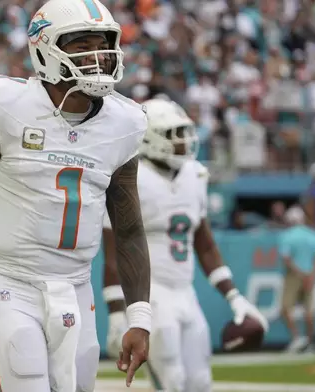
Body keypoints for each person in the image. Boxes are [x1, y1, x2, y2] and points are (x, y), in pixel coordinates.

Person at [0, 0, 152, 390]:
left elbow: (129, 228)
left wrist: (139, 317)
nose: (98, 56)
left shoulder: (125, 122)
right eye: (82, 45)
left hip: (76, 287)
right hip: (8, 281)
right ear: (46, 48)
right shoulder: (6, 105)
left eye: (103, 44)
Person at [102, 98, 268, 392]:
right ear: (149, 137)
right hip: (150, 295)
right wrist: (117, 311)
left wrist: (234, 297)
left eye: (184, 132)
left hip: (185, 293)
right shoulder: (130, 176)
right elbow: (116, 252)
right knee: (172, 381)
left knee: (201, 382)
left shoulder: (195, 174)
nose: (183, 142)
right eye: (172, 134)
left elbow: (204, 245)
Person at [279, 205, 315, 353]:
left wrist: (300, 274)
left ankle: (297, 338)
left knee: (285, 308)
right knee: (308, 311)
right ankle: (310, 342)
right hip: (310, 275)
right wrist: (311, 275)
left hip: (294, 276)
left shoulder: (287, 235)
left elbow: (286, 259)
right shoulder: (313, 235)